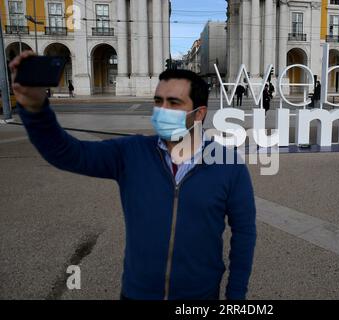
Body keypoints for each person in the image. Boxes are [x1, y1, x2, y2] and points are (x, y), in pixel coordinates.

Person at [10, 50, 257, 300]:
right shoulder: (130, 152)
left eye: (173, 103)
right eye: (158, 101)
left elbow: (244, 234)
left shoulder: (229, 165)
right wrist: (36, 109)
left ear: (199, 114)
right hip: (137, 294)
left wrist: (236, 296)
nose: (162, 110)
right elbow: (66, 153)